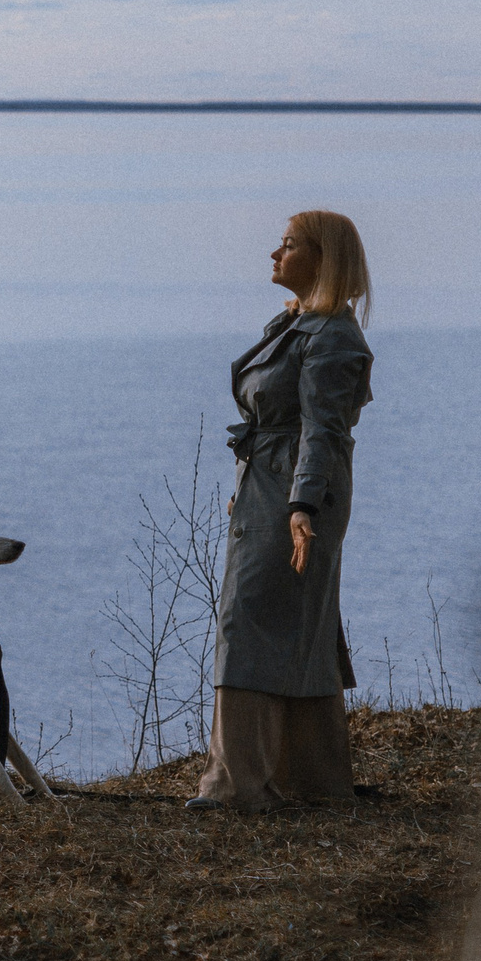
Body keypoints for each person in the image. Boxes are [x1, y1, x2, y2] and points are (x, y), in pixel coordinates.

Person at [187, 210, 374, 812]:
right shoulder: (298, 325)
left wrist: (300, 506)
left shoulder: (334, 338)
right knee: (299, 625)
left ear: (323, 259)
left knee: (249, 621)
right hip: (274, 484)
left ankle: (236, 787)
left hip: (297, 491)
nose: (275, 253)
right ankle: (313, 781)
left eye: (289, 245)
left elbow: (323, 430)